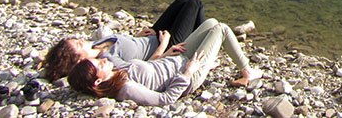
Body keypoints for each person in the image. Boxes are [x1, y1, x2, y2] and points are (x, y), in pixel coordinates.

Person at [68, 18, 263, 106]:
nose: (102, 61)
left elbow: (151, 70)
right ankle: (248, 72)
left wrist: (167, 52)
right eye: (98, 66)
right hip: (188, 73)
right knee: (222, 29)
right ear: (97, 81)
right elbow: (165, 99)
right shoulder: (125, 88)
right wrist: (188, 73)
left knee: (211, 23)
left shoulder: (116, 70)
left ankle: (211, 60)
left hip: (176, 59)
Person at [43, 0, 205, 82]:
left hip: (152, 36)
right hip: (168, 46)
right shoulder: (107, 61)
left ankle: (202, 39)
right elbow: (144, 68)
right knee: (194, 4)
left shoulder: (96, 45)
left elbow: (124, 47)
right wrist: (163, 47)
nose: (81, 40)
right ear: (79, 60)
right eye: (78, 45)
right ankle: (204, 48)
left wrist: (137, 36)